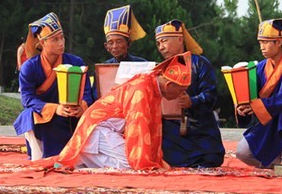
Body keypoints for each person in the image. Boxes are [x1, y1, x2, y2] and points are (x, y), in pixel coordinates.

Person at [36, 52, 192, 170]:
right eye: (181, 90)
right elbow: (137, 127)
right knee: (131, 166)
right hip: (97, 128)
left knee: (136, 162)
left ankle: (84, 157)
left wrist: (156, 160)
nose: (182, 95)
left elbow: (152, 128)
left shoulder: (153, 86)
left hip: (109, 130)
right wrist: (144, 163)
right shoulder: (142, 88)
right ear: (168, 86)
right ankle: (83, 154)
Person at [13, 12, 94, 160]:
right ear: (42, 43)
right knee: (30, 115)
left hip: (71, 114)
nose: (61, 43)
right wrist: (56, 109)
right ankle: (40, 157)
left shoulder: (76, 62)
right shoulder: (30, 67)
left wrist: (81, 106)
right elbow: (27, 99)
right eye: (55, 39)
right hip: (45, 114)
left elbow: (87, 92)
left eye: (62, 37)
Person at [235, 18, 282, 168]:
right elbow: (251, 96)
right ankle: (278, 166)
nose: (262, 47)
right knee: (242, 152)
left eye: (266, 42)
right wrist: (242, 107)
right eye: (260, 43)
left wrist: (262, 104)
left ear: (279, 42)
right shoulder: (259, 68)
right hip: (269, 123)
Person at [155, 19, 224, 167]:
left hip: (200, 128)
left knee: (211, 157)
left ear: (180, 39)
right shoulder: (159, 70)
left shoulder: (200, 63)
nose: (161, 47)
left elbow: (211, 96)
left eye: (164, 41)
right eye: (158, 43)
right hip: (173, 132)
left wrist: (192, 101)